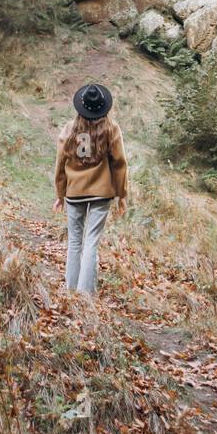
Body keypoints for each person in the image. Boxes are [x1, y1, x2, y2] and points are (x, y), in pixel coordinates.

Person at [53, 83, 128, 294]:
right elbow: (120, 163)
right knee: (91, 243)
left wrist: (60, 193)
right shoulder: (112, 129)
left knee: (75, 242)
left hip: (74, 193)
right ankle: (85, 296)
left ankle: (70, 291)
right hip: (101, 194)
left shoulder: (69, 129)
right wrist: (121, 194)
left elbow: (60, 164)